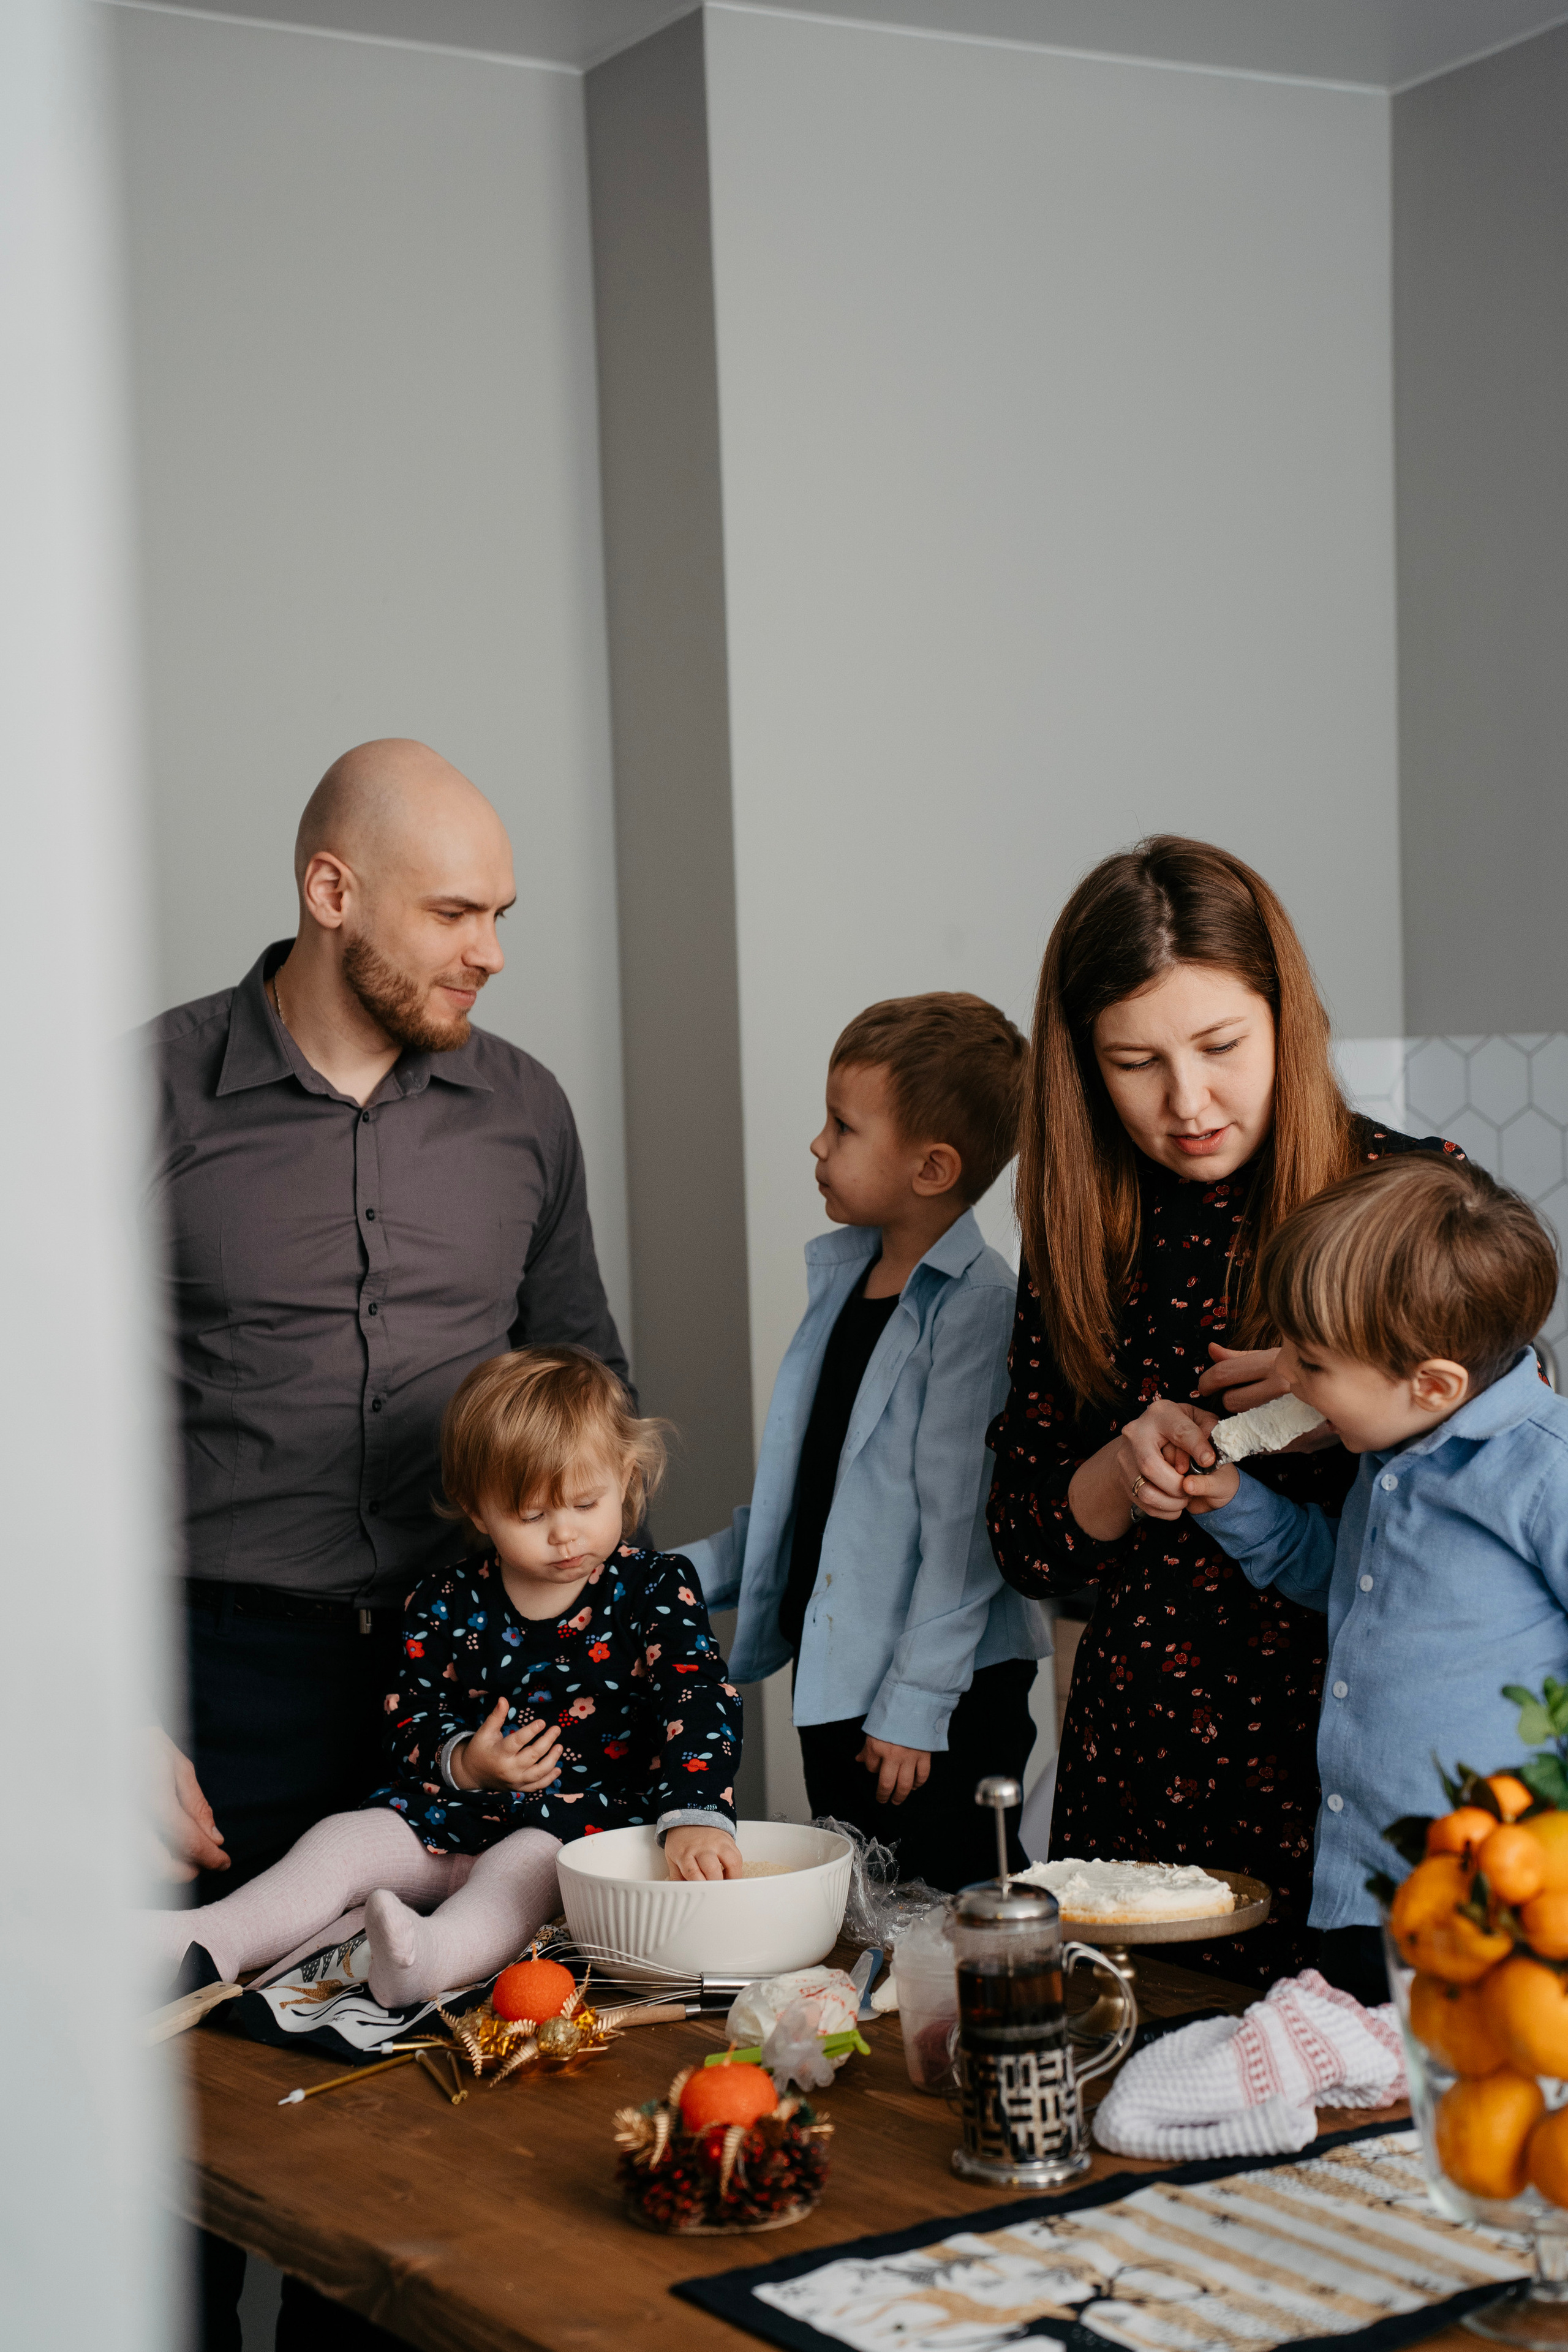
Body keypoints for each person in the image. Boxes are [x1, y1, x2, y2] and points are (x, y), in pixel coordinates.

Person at [140, 739, 628, 2349]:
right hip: (214, 1688)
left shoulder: (525, 1111)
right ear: (328, 893)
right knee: (177, 2160)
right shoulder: (138, 1094)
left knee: (431, 2150)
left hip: (469, 1687)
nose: (492, 949)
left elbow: (590, 1395)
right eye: (457, 911)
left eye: (503, 912)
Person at [986, 836, 1458, 1984]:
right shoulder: (1084, 1231)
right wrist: (1119, 1467)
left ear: (1285, 1018)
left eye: (1221, 1046)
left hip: (1348, 1749)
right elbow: (1025, 1537)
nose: (1186, 1101)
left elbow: (1502, 1456)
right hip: (1139, 1760)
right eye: (1134, 1062)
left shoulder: (1408, 1197)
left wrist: (1339, 1372)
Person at [140, 1350, 741, 2000]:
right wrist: (465, 1761)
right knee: (341, 1841)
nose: (565, 1535)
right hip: (447, 1809)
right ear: (479, 1512)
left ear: (625, 1478)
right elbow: (409, 1716)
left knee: (522, 1874)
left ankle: (429, 1959)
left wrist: (697, 1812)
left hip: (576, 1821)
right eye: (532, 1516)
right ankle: (208, 1936)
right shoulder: (444, 1599)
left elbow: (698, 1699)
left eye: (587, 1503)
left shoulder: (653, 1587)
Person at [1180, 1153, 1566, 2007]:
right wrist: (1235, 1500)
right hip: (1356, 1896)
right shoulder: (1391, 1450)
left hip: (1493, 1917)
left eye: (1311, 1365)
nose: (1288, 1378)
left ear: (1434, 1383)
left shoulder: (1546, 1474)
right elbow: (1348, 1589)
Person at [683, 993, 1049, 1892]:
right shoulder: (848, 1280)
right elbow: (812, 1500)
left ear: (931, 1168)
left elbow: (966, 1535)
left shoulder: (974, 1309)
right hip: (841, 1680)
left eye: (842, 1127)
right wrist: (666, 1578)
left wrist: (918, 1704)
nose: (817, 1144)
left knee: (954, 1913)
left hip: (934, 1700)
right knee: (867, 1907)